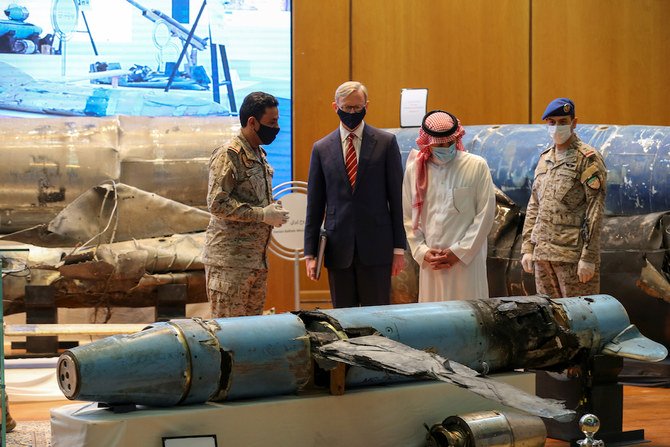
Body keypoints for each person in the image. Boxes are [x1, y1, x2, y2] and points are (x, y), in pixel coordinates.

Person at [304, 81, 406, 308]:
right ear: (335, 106)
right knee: (343, 320)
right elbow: (315, 203)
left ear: (366, 106)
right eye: (347, 107)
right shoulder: (321, 148)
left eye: (357, 107)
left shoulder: (386, 142)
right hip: (338, 248)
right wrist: (310, 253)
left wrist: (399, 248)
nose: (352, 112)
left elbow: (397, 200)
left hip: (377, 247)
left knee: (377, 318)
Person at [203, 91, 289, 318]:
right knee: (230, 337)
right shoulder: (229, 154)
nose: (277, 127)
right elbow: (217, 204)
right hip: (230, 264)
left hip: (255, 262)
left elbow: (252, 199)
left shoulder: (258, 153)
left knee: (252, 337)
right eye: (272, 122)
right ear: (252, 122)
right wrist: (262, 214)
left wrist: (272, 211)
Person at [402, 110, 496, 301]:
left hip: (466, 264)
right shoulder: (415, 170)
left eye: (449, 142)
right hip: (431, 264)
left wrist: (458, 252)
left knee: (471, 318)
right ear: (428, 142)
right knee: (433, 320)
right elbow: (408, 217)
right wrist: (422, 251)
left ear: (457, 138)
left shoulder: (476, 166)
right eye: (439, 144)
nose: (445, 147)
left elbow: (485, 215)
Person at [521, 98, 607, 297]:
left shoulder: (587, 158)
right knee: (551, 318)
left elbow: (595, 211)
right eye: (552, 122)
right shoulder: (545, 158)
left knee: (581, 319)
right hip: (542, 254)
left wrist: (589, 258)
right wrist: (527, 247)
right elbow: (534, 204)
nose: (557, 127)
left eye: (562, 122)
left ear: (574, 123)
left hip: (572, 257)